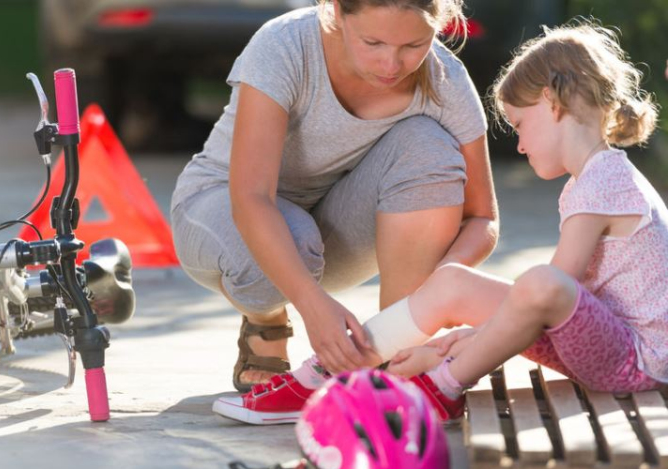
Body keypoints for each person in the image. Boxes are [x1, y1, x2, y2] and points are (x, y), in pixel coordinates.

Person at [214, 20, 668, 424]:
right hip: (605, 340)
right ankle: (329, 368)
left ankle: (442, 388)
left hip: (636, 361)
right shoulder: (594, 179)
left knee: (541, 283)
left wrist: (475, 340)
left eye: (519, 124)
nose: (522, 145)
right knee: (453, 282)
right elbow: (560, 307)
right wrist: (475, 334)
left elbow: (555, 292)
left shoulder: (602, 183)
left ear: (550, 103)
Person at [170, 0, 498, 394]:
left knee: (427, 144)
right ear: (338, 12)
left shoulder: (446, 80)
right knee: (291, 241)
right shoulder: (285, 44)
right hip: (221, 207)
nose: (391, 65)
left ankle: (398, 353)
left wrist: (441, 287)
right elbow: (252, 197)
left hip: (330, 232)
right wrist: (312, 307)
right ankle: (268, 319)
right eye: (373, 42)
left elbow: (483, 218)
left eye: (414, 45)